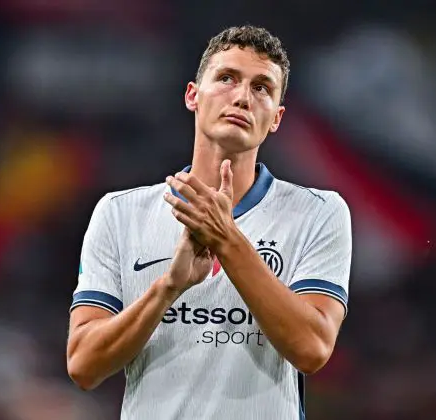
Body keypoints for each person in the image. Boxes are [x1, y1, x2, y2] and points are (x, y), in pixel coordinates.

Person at [66, 25, 352, 420]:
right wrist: (168, 287)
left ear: (276, 119)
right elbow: (83, 365)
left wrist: (226, 239)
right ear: (192, 95)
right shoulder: (120, 213)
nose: (241, 97)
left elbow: (312, 349)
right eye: (226, 78)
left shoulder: (318, 212)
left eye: (262, 88)